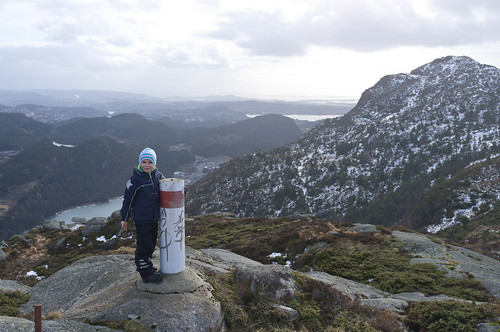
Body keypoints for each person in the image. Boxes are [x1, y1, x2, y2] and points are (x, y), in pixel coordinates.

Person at [120, 147, 164, 283]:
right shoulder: (135, 180)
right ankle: (145, 274)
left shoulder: (158, 176)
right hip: (141, 219)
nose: (146, 165)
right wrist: (124, 218)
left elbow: (167, 186)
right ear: (140, 163)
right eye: (143, 162)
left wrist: (180, 189)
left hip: (153, 218)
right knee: (144, 246)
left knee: (151, 245)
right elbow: (128, 200)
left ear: (154, 163)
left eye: (149, 162)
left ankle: (148, 267)